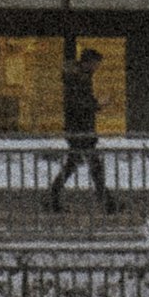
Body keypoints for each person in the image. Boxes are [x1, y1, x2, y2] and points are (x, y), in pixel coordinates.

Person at [46, 43, 113, 211]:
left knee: (76, 165)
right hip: (80, 130)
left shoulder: (80, 78)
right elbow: (78, 104)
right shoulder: (79, 79)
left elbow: (78, 103)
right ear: (88, 62)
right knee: (90, 165)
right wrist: (98, 104)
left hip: (80, 129)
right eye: (96, 63)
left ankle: (54, 197)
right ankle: (105, 201)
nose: (97, 67)